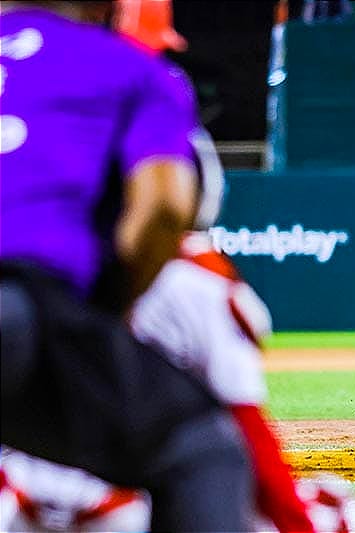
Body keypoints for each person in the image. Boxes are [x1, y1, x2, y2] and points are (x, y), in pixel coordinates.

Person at [0, 1, 255, 530]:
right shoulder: (127, 68)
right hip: (20, 303)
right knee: (198, 448)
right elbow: (163, 207)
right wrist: (109, 304)